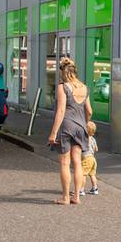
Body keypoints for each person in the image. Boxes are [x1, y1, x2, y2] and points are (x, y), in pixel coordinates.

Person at [47, 57, 91, 205]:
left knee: (65, 163)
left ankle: (65, 197)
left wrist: (53, 133)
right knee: (77, 162)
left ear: (63, 72)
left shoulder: (63, 87)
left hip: (66, 126)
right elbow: (89, 111)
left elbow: (60, 111)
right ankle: (77, 197)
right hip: (80, 127)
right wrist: (85, 123)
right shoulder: (84, 87)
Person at [79, 120, 99, 197]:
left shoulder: (84, 139)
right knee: (92, 174)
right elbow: (96, 149)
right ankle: (95, 188)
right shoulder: (93, 139)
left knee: (83, 174)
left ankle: (81, 189)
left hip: (86, 158)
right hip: (93, 159)